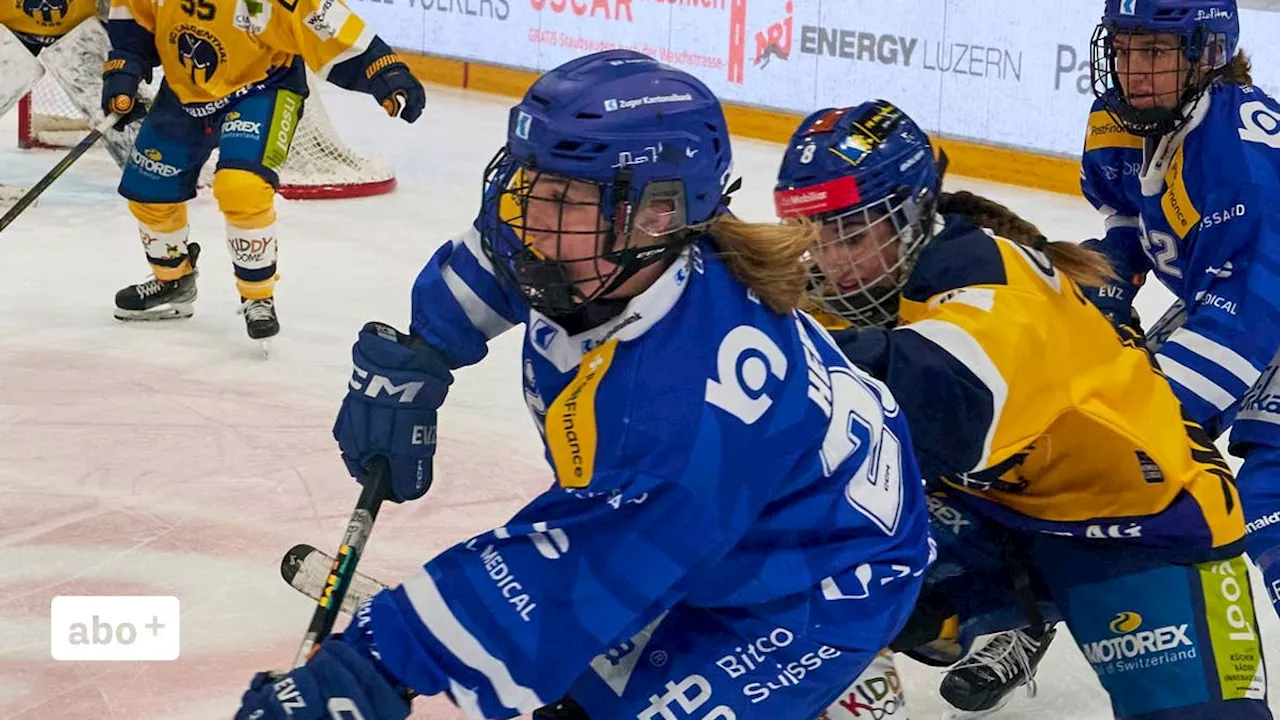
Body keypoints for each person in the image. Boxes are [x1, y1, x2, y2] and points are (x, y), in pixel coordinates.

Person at [234, 50, 934, 720]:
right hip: (721, 525)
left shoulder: (683, 405)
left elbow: (575, 574)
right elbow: (496, 255)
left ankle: (837, 676)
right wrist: (423, 350)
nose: (530, 217)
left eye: (563, 197)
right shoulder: (610, 251)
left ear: (658, 213)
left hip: (810, 590)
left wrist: (377, 662)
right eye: (528, 183)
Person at [773, 100, 1268, 719]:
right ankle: (1002, 609)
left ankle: (1030, 604)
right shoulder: (865, 281)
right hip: (993, 508)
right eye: (810, 233)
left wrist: (776, 361)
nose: (826, 259)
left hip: (1150, 524)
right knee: (781, 569)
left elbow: (940, 402)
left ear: (907, 217)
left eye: (848, 232)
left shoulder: (991, 288)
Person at [1080, 0, 1280, 622]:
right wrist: (1111, 279)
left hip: (1258, 305)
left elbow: (1245, 323)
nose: (1134, 71)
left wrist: (1140, 423)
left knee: (1267, 493)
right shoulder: (1124, 120)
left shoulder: (1237, 165)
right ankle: (1050, 601)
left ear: (1208, 55)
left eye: (1157, 52)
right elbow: (1127, 221)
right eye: (1124, 48)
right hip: (1232, 300)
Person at [103, 0, 424, 341]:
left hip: (261, 88)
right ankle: (173, 280)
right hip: (184, 92)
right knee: (149, 186)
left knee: (241, 186)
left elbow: (328, 25)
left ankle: (257, 296)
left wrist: (383, 71)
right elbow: (134, 21)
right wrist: (124, 71)